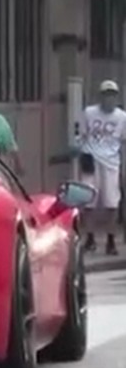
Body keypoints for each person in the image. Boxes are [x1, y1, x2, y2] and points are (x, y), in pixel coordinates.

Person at [75, 80, 126, 256]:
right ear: (101, 97)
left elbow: (123, 142)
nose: (109, 99)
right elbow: (81, 135)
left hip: (111, 163)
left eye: (112, 95)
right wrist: (82, 156)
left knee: (111, 203)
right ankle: (90, 237)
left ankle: (110, 240)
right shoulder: (89, 113)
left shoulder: (121, 117)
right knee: (89, 201)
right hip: (91, 160)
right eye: (106, 95)